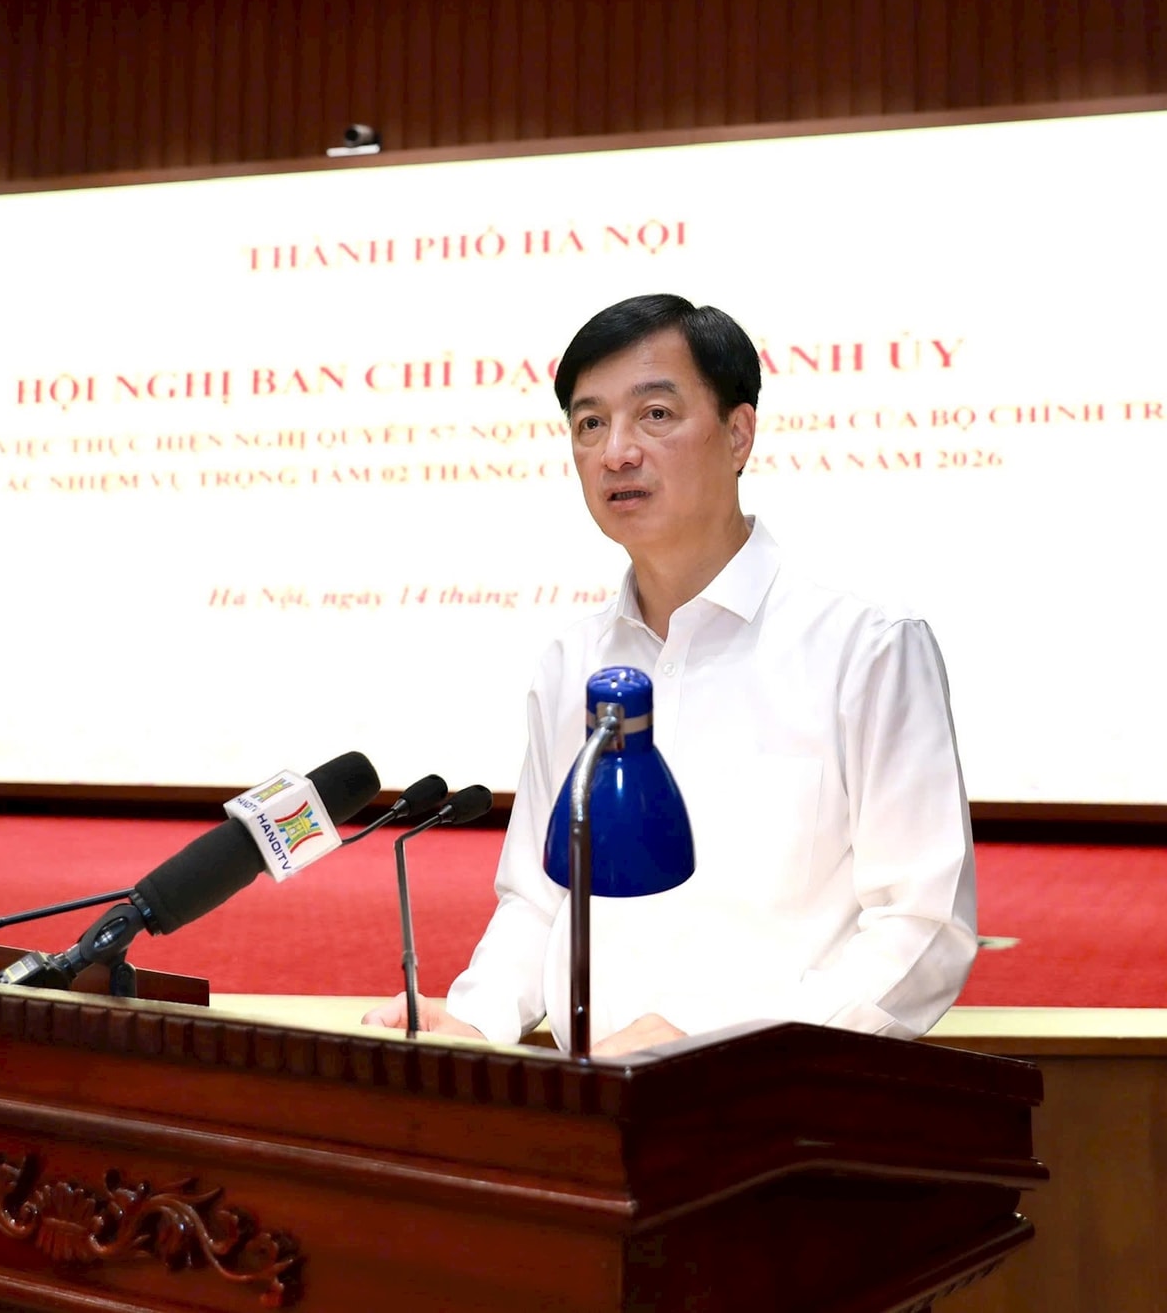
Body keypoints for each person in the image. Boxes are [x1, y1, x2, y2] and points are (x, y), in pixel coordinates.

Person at [364, 294, 978, 1057]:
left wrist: (717, 1039)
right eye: (590, 424)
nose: (617, 451)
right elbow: (541, 898)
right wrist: (479, 1015)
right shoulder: (571, 663)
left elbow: (922, 928)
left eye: (654, 414)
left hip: (776, 1100)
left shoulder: (865, 646)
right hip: (587, 1098)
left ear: (738, 434)